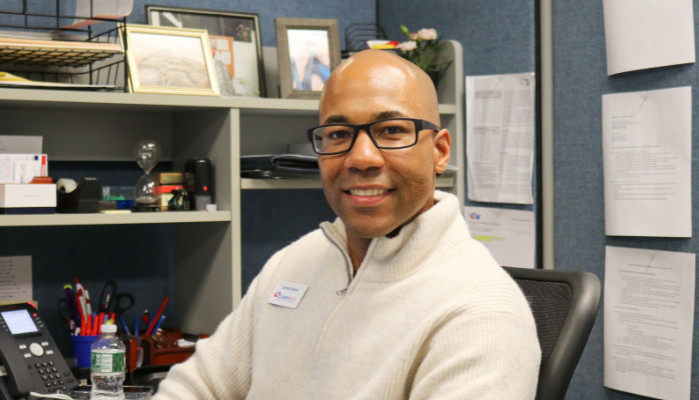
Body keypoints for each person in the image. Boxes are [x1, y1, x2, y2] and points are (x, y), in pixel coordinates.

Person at [153, 50, 541, 399]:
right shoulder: (296, 262)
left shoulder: (482, 316)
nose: (362, 158)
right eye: (339, 134)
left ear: (439, 151)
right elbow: (197, 386)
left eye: (392, 131)